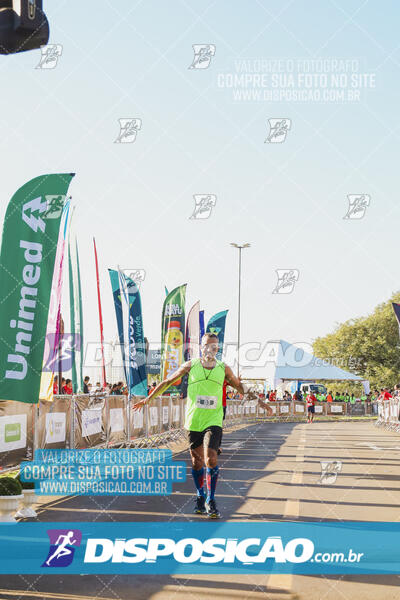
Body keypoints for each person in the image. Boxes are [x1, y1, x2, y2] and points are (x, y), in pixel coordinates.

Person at [133, 332, 253, 518]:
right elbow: (167, 381)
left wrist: (261, 402)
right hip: (193, 420)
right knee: (197, 462)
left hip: (213, 420)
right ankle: (200, 495)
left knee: (210, 459)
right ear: (201, 347)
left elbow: (239, 386)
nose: (209, 349)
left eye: (213, 346)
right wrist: (148, 399)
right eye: (206, 345)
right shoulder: (191, 365)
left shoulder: (223, 368)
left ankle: (211, 500)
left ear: (217, 349)